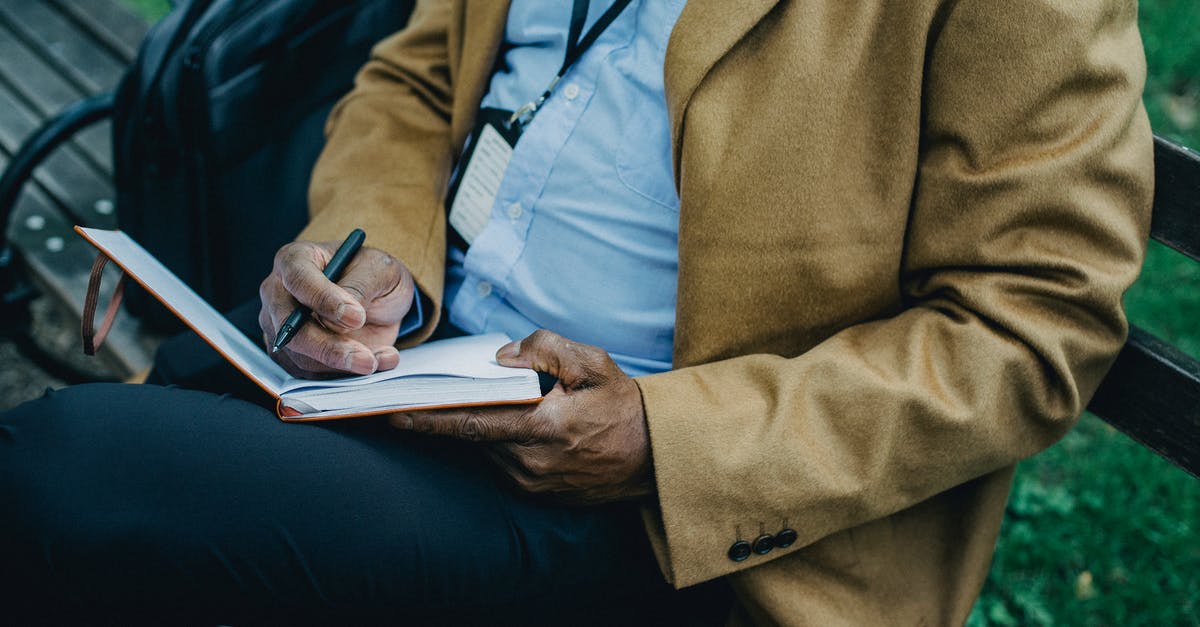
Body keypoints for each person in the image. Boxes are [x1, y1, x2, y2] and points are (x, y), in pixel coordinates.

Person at [0, 0, 1153, 624]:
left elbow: (1033, 324)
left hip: (679, 513)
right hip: (419, 370)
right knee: (137, 453)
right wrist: (374, 256)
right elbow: (412, 76)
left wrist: (665, 439)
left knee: (68, 471)